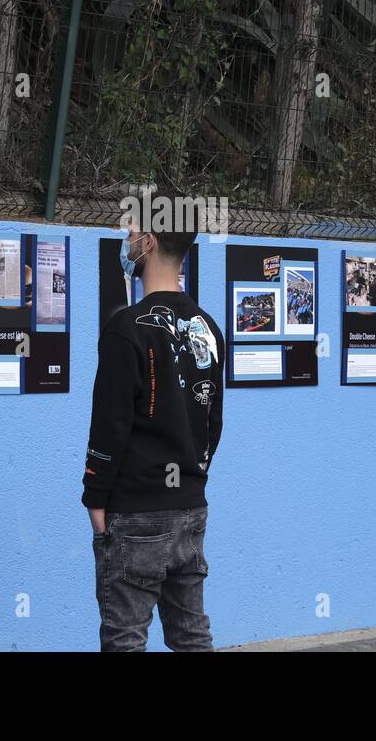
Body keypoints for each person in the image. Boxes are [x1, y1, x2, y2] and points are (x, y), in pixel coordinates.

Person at [82, 203, 225, 651]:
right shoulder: (209, 328)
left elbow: (109, 424)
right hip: (190, 507)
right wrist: (191, 479)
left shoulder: (126, 328)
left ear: (151, 242)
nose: (128, 239)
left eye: (134, 232)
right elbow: (212, 423)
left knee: (125, 638)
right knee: (191, 635)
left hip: (135, 511)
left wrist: (95, 496)